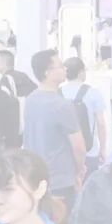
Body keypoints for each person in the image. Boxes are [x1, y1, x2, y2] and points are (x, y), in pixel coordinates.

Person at [21, 48, 86, 213]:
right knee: (61, 223)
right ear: (47, 72)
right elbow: (78, 146)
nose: (65, 69)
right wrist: (79, 171)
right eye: (61, 66)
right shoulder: (62, 105)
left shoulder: (30, 99)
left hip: (35, 176)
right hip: (60, 180)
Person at [61, 55, 107, 172]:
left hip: (63, 151)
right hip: (89, 151)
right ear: (81, 72)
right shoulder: (93, 93)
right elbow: (101, 123)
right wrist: (102, 148)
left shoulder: (57, 93)